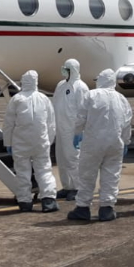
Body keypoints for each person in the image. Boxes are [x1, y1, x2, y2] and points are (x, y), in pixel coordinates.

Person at [67, 69, 132, 222]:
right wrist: (126, 141)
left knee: (87, 175)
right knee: (111, 175)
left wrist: (76, 134)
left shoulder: (91, 95)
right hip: (115, 143)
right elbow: (127, 123)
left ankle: (83, 208)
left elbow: (80, 118)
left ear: (101, 80)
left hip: (93, 142)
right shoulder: (122, 98)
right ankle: (107, 209)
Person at [3, 70, 59, 213]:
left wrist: (8, 143)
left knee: (22, 172)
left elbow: (9, 124)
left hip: (21, 143)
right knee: (44, 170)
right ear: (36, 82)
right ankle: (48, 200)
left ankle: (25, 202)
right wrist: (49, 140)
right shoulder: (44, 98)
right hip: (40, 142)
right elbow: (51, 123)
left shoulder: (16, 99)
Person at [52, 58, 88, 201]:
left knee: (74, 159)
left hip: (73, 131)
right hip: (61, 129)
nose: (63, 71)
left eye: (66, 69)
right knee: (62, 159)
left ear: (72, 70)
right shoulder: (60, 85)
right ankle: (67, 186)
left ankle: (77, 187)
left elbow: (83, 110)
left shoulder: (81, 87)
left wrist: (79, 131)